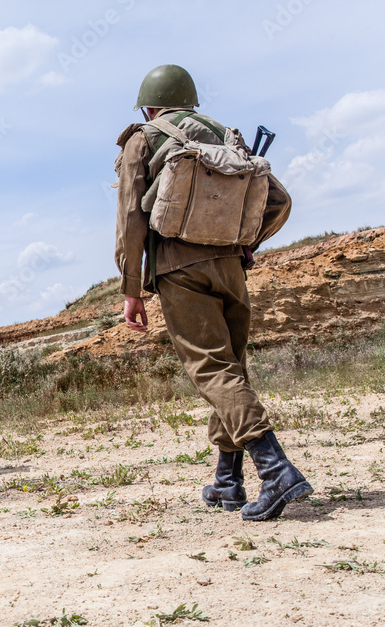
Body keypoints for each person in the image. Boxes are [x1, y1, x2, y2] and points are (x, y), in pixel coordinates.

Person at [114, 64, 311, 521]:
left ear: (149, 105)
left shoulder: (142, 139)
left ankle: (276, 468)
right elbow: (278, 200)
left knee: (213, 371)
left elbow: (130, 218)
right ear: (191, 100)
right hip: (231, 268)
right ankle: (228, 480)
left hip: (179, 269)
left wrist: (131, 290)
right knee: (232, 370)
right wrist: (245, 241)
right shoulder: (224, 135)